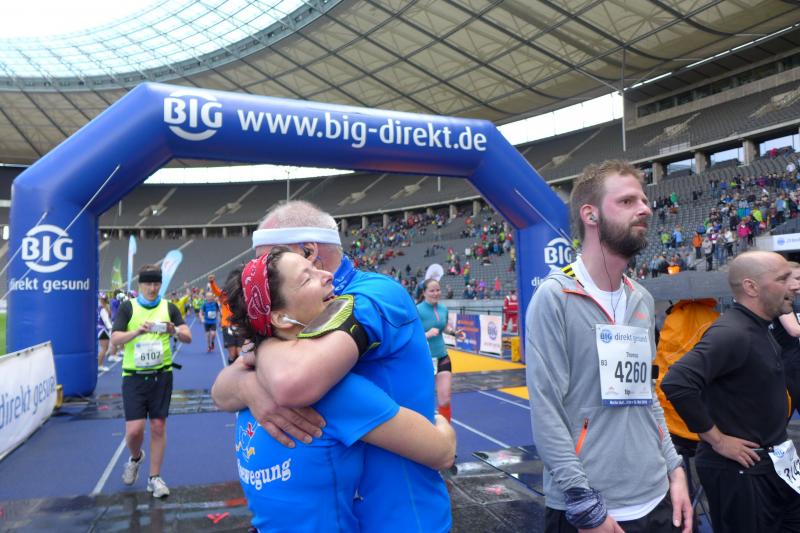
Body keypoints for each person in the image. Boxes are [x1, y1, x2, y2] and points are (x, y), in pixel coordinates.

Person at [211, 201, 452, 532]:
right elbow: (221, 390)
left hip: (401, 519)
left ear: (308, 251)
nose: (257, 272)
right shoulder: (294, 317)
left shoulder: (371, 295)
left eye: (268, 259)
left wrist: (261, 348)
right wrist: (250, 386)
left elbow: (291, 381)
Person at [526, 160, 691, 533]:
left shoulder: (641, 298)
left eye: (644, 200)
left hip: (656, 497)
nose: (645, 209)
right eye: (628, 201)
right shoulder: (555, 297)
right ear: (591, 215)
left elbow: (646, 394)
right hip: (591, 509)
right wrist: (583, 504)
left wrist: (675, 468)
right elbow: (546, 410)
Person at [662, 251, 800, 532]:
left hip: (773, 464)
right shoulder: (732, 332)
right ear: (751, 287)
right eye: (782, 278)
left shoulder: (758, 327)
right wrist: (718, 440)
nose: (793, 286)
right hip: (741, 472)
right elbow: (677, 381)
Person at [110, 264, 192, 498]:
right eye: (148, 284)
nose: (152, 288)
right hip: (133, 377)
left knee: (158, 426)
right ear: (140, 285)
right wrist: (137, 332)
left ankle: (154, 478)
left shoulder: (169, 307)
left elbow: (187, 336)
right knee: (134, 431)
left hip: (161, 375)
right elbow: (115, 339)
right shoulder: (128, 307)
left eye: (156, 284)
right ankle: (136, 458)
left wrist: (173, 331)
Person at [416, 278, 461, 422]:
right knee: (423, 401)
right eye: (432, 291)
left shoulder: (443, 309)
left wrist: (453, 332)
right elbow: (410, 334)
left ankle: (446, 430)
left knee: (445, 399)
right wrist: (426, 334)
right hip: (424, 359)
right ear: (424, 292)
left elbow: (444, 327)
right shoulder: (417, 310)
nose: (436, 293)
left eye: (438, 290)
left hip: (442, 356)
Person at [209, 273, 243, 365]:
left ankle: (238, 370)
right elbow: (216, 291)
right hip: (227, 326)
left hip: (240, 326)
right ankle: (231, 368)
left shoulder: (241, 294)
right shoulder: (223, 295)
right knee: (232, 354)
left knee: (240, 353)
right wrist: (212, 282)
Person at [97, 293, 113, 372]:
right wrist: (111, 329)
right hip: (103, 330)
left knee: (103, 348)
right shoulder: (103, 309)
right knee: (104, 348)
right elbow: (106, 321)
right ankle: (100, 365)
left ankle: (100, 364)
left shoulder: (98, 307)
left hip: (99, 329)